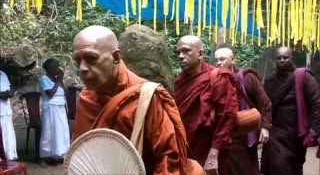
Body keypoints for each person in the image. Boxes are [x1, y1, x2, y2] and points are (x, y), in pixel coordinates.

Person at [71, 25, 202, 174]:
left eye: (91, 59)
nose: (82, 68)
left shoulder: (147, 97)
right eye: (78, 60)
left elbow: (168, 160)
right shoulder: (86, 99)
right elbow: (80, 156)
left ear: (116, 57)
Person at [174, 36, 238, 175]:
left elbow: (227, 116)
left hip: (210, 148)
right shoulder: (181, 80)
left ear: (201, 54)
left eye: (186, 51)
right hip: (186, 146)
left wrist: (214, 152)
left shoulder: (219, 77)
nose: (180, 56)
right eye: (178, 52)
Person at [261, 47, 320, 175]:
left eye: (285, 57)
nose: (282, 60)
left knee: (293, 167)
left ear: (291, 59)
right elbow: (265, 105)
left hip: (296, 135)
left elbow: (316, 105)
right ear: (275, 60)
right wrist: (263, 126)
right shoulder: (271, 80)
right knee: (276, 166)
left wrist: (314, 131)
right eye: (279, 58)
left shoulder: (303, 77)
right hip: (275, 133)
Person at [213, 48, 272, 175]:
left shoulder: (247, 78)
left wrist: (265, 127)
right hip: (223, 135)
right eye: (216, 60)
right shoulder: (215, 79)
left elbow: (265, 103)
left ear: (232, 59)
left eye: (222, 59)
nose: (218, 63)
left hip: (244, 134)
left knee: (246, 169)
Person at [38, 59, 70, 164]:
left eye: (58, 66)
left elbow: (67, 94)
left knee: (61, 132)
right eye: (55, 67)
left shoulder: (58, 80)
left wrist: (60, 81)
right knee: (48, 132)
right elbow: (50, 94)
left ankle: (59, 154)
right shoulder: (43, 79)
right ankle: (43, 157)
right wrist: (57, 82)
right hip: (50, 108)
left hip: (60, 107)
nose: (58, 69)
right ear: (49, 68)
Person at [0, 64, 18, 160]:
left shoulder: (2, 74)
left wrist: (11, 92)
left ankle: (10, 157)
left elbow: (10, 86)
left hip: (6, 109)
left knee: (8, 134)